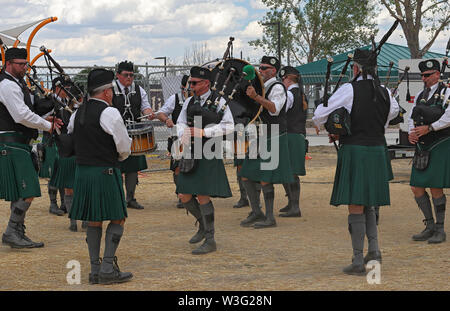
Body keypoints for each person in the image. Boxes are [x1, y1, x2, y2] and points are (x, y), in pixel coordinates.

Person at [313, 49, 399, 275]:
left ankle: (358, 260)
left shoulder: (349, 89)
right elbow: (392, 115)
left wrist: (336, 125)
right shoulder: (386, 93)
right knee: (368, 202)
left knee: (355, 203)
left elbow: (320, 116)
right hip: (377, 149)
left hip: (356, 150)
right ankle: (375, 251)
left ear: (355, 67)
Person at [68, 68, 133, 285]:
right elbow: (123, 147)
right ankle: (107, 268)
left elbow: (71, 138)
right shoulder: (110, 112)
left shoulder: (77, 113)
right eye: (111, 90)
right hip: (105, 171)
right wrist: (119, 159)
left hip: (83, 173)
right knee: (117, 217)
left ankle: (95, 270)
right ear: (106, 92)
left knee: (94, 220)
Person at [0, 47, 62, 249]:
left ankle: (17, 232)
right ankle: (11, 231)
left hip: (18, 143)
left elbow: (24, 112)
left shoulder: (17, 83)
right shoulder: (7, 85)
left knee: (22, 190)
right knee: (30, 189)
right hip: (11, 143)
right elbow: (20, 115)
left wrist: (45, 118)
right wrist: (46, 125)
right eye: (20, 64)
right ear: (8, 64)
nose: (25, 68)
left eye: (26, 64)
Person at [176, 66, 234, 255]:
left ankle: (210, 239)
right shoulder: (189, 101)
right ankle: (202, 225)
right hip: (190, 151)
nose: (190, 86)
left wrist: (205, 132)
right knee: (183, 195)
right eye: (190, 82)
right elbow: (181, 121)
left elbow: (229, 126)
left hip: (209, 150)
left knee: (202, 195)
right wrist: (182, 133)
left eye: (193, 83)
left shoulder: (219, 101)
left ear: (206, 83)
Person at [238, 56, 294, 228]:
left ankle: (270, 217)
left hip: (273, 134)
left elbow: (274, 109)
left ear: (274, 71)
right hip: (260, 134)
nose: (260, 70)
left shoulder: (277, 87)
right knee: (246, 173)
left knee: (266, 177)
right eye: (260, 67)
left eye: (264, 68)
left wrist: (256, 97)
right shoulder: (261, 86)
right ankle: (256, 212)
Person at [408, 59, 450, 244]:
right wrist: (411, 131)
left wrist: (430, 128)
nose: (423, 78)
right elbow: (412, 116)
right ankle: (429, 225)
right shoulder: (420, 94)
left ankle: (440, 230)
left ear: (437, 74)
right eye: (422, 76)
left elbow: (449, 117)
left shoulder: (447, 92)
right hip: (422, 145)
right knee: (416, 186)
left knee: (435, 187)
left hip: (440, 143)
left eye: (427, 75)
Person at [112, 61, 154, 210]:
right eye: (126, 75)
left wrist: (149, 114)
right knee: (115, 167)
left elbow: (145, 107)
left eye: (132, 75)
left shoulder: (138, 89)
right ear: (118, 75)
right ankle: (117, 199)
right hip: (115, 134)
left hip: (134, 133)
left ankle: (130, 198)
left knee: (132, 167)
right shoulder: (110, 89)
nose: (129, 77)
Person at [48, 76, 86, 231]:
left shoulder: (69, 104)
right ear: (58, 88)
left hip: (70, 144)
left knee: (69, 181)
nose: (68, 92)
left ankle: (67, 207)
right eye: (66, 89)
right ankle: (53, 203)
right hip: (55, 140)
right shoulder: (50, 100)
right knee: (56, 175)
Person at [156, 74, 189, 209]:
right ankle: (181, 194)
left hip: (197, 138)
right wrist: (166, 119)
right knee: (177, 168)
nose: (186, 90)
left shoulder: (201, 100)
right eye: (184, 87)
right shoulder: (174, 99)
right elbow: (160, 113)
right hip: (177, 139)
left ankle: (193, 193)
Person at [279, 66, 308, 217]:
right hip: (297, 134)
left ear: (288, 79)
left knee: (291, 173)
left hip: (291, 135)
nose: (282, 81)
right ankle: (291, 203)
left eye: (283, 79)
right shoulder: (300, 93)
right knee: (289, 172)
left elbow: (281, 112)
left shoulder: (290, 94)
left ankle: (295, 207)